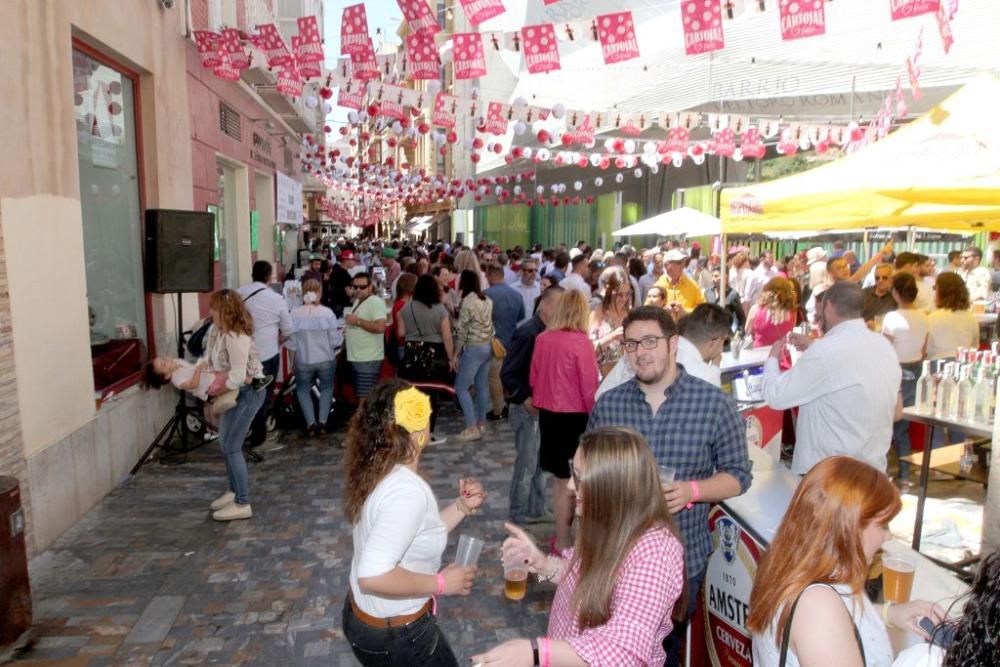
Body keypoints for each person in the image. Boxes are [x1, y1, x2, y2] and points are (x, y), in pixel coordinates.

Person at [588, 305, 751, 665]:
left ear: (673, 343)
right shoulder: (609, 406)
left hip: (682, 560)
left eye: (650, 341)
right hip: (616, 554)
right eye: (631, 345)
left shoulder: (713, 404)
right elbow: (589, 473)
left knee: (665, 651)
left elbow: (738, 476)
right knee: (615, 646)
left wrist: (693, 491)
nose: (640, 352)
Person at [471, 427, 686, 666]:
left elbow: (624, 652)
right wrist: (541, 564)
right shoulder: (605, 522)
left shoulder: (655, 552)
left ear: (613, 485)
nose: (571, 486)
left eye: (581, 478)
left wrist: (537, 653)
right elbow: (578, 576)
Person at [747, 456, 945, 667]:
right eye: (883, 525)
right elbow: (827, 622)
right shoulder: (818, 606)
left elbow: (841, 619)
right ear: (850, 529)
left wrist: (890, 613)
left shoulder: (793, 566)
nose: (888, 537)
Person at [342, 381, 486, 667]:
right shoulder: (406, 492)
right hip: (399, 637)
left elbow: (410, 536)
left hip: (366, 621)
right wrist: (441, 583)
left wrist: (460, 507)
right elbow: (373, 576)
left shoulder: (378, 466)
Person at [761, 281, 902, 474]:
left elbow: (776, 396)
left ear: (828, 307)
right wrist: (813, 346)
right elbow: (851, 370)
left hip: (830, 478)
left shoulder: (825, 352)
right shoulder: (884, 347)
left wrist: (771, 361)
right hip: (872, 473)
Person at [530, 290, 600, 552]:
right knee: (580, 482)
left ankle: (561, 538)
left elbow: (534, 379)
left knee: (561, 481)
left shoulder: (543, 339)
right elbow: (589, 388)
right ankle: (578, 542)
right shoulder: (582, 343)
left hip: (549, 416)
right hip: (576, 418)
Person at [201, 290, 269, 521]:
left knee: (232, 446)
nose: (210, 312)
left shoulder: (235, 335)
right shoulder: (217, 332)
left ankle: (242, 502)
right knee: (225, 443)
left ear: (224, 310)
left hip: (247, 393)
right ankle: (233, 491)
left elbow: (238, 376)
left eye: (214, 308)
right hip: (236, 392)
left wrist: (214, 392)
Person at [500, 286, 563, 525]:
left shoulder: (549, 331)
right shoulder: (528, 333)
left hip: (542, 409)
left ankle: (536, 509)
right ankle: (517, 515)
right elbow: (508, 373)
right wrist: (525, 398)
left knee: (539, 464)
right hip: (526, 410)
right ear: (544, 306)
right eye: (558, 305)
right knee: (527, 465)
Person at [237, 261, 292, 449]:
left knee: (245, 394)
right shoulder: (275, 298)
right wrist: (279, 340)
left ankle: (248, 430)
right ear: (269, 277)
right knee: (264, 395)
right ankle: (259, 435)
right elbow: (288, 328)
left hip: (243, 352)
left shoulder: (240, 293)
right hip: (268, 353)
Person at [881, 272, 928, 486]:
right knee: (904, 425)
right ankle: (906, 474)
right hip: (916, 369)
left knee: (890, 422)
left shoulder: (892, 317)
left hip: (896, 370)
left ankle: (889, 472)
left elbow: (884, 347)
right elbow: (924, 348)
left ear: (896, 293)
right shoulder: (924, 316)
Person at [287, 279, 342, 437]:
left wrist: (292, 362)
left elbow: (292, 343)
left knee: (302, 390)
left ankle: (310, 423)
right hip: (326, 358)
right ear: (319, 293)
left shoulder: (295, 313)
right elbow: (334, 341)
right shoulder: (327, 313)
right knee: (326, 389)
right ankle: (323, 422)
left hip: (303, 360)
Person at [454, 269, 495, 441]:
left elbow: (462, 330)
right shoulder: (487, 300)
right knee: (481, 386)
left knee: (461, 387)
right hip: (488, 346)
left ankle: (471, 427)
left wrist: (455, 353)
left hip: (474, 347)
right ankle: (481, 423)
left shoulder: (467, 302)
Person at [485, 263, 525, 421]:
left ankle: (498, 410)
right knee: (508, 375)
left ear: (492, 276)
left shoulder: (486, 294)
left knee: (494, 377)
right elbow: (521, 317)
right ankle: (508, 404)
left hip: (494, 342)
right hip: (512, 341)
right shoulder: (517, 295)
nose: (487, 279)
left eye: (488, 276)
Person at [344, 272, 387, 401]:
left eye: (362, 287)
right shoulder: (358, 301)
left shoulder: (375, 302)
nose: (358, 290)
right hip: (358, 357)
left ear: (370, 287)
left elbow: (380, 327)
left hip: (368, 358)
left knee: (365, 399)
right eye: (355, 287)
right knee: (362, 397)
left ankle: (364, 421)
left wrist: (357, 321)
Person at [926, 272, 979, 360]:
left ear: (941, 292)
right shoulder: (971, 318)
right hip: (963, 362)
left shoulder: (933, 318)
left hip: (937, 364)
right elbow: (974, 346)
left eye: (935, 288)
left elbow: (925, 348)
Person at [589, 270, 631, 378]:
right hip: (603, 376)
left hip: (626, 375)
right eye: (619, 294)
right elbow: (589, 348)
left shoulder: (629, 314)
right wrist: (612, 337)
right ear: (610, 290)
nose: (624, 299)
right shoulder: (598, 313)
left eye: (627, 294)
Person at [676, 303, 730, 387]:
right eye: (725, 341)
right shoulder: (707, 377)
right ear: (714, 342)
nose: (722, 349)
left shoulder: (666, 348)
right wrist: (714, 369)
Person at [653, 249, 706, 319]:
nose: (683, 265)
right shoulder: (657, 286)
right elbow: (649, 313)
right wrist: (664, 311)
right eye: (679, 263)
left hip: (686, 329)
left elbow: (704, 310)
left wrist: (686, 312)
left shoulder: (692, 285)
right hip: (665, 329)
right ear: (667, 265)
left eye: (683, 262)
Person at [747, 277, 799, 347]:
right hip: (781, 353)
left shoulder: (755, 309)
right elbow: (791, 329)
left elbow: (747, 330)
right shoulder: (792, 311)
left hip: (760, 353)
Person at [388, 273, 417, 363]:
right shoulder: (403, 306)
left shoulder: (399, 302)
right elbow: (403, 332)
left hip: (404, 345)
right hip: (405, 346)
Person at [705, 267, 746, 332]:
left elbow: (741, 318)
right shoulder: (708, 292)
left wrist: (739, 333)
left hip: (725, 334)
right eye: (712, 276)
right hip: (709, 333)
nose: (713, 279)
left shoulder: (732, 294)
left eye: (716, 276)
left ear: (725, 277)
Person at [511, 257, 541, 322]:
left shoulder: (540, 288)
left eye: (535, 270)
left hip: (536, 329)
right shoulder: (512, 289)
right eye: (530, 271)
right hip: (518, 328)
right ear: (522, 271)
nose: (534, 273)